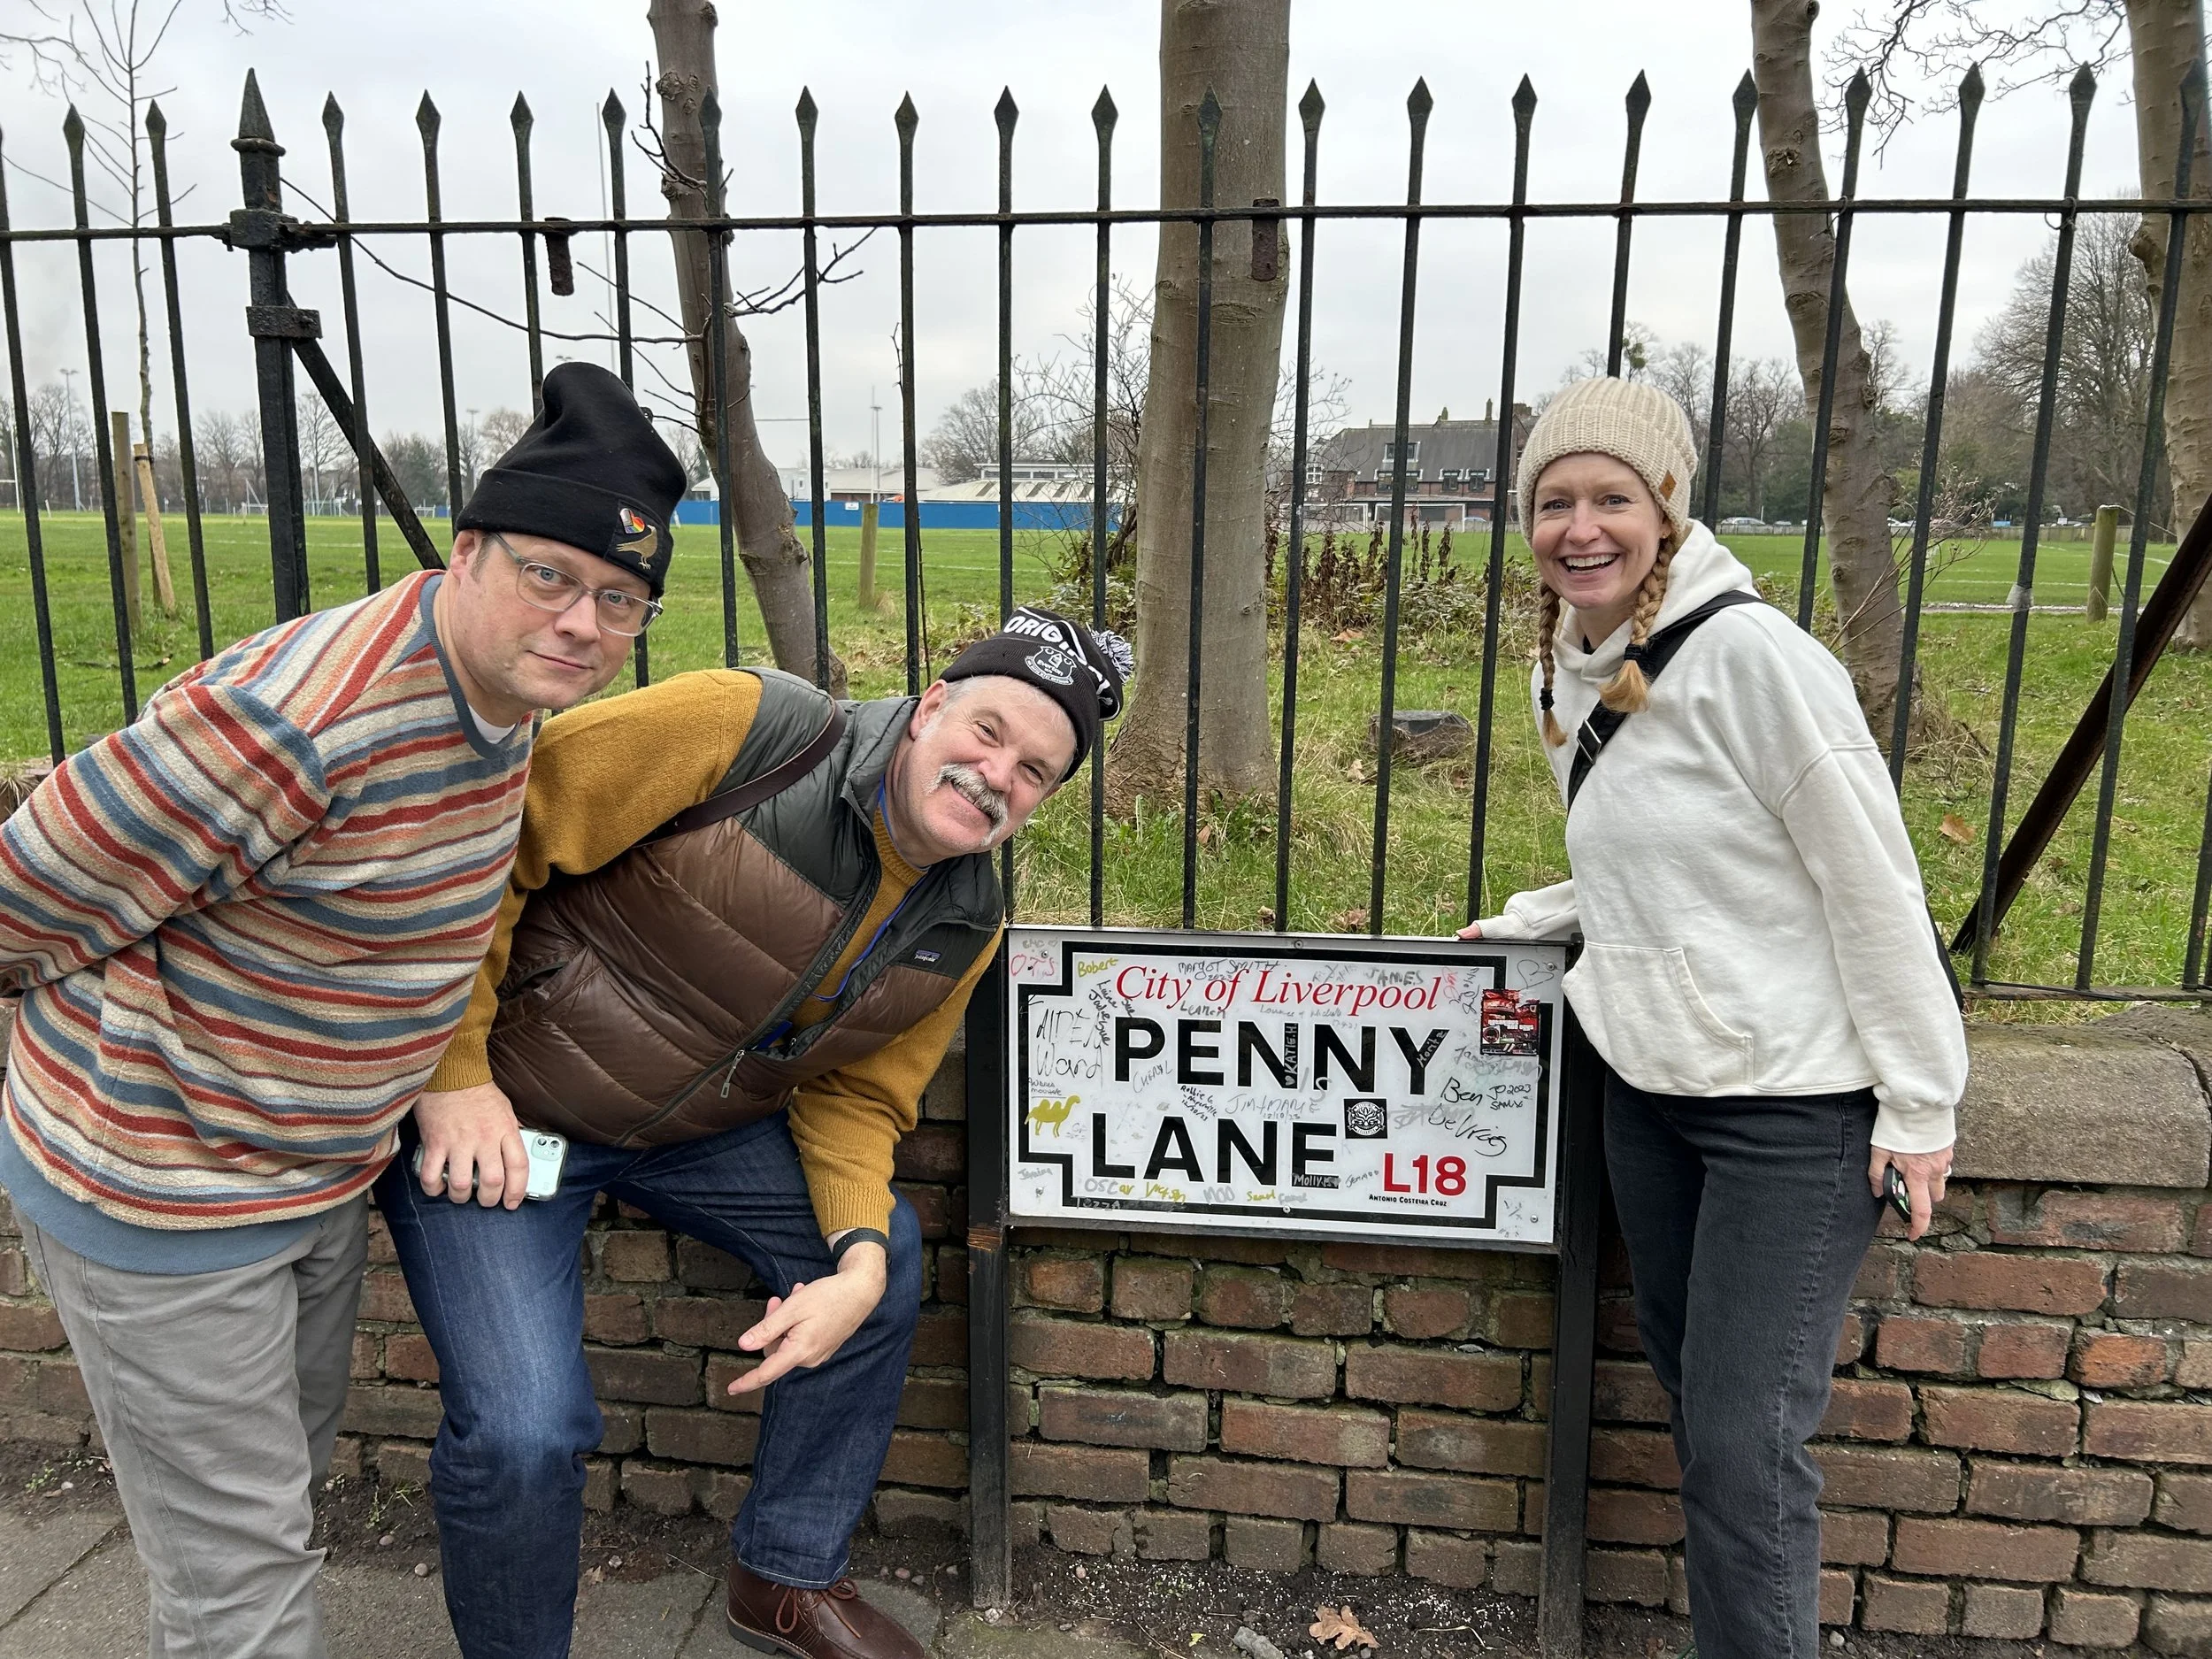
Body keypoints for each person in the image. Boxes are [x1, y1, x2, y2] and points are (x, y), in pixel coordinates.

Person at [0, 361, 686, 1658]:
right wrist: (131, 1043)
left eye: (620, 599)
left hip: (311, 1172)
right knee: (237, 1590)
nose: (585, 622)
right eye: (550, 574)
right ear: (469, 550)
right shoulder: (295, 725)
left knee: (276, 1493)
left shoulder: (507, 694)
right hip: (166, 1182)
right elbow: (30, 889)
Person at [379, 605, 1127, 1659]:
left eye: (1036, 771)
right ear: (928, 710)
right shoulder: (750, 730)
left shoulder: (966, 916)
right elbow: (482, 840)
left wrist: (858, 1268)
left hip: (693, 1131)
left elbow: (860, 1099)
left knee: (880, 1257)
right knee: (524, 1432)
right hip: (506, 1111)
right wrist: (451, 1073)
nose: (996, 773)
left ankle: (783, 1575)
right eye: (988, 732)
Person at [1461, 377, 1967, 1659]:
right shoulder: (1573, 660)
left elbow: (1869, 876)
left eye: (1613, 498)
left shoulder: (1754, 657)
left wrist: (1920, 1099)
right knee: (1707, 1415)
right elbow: (1683, 850)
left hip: (1790, 1113)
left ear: (1667, 508)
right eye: (1555, 500)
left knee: (1747, 1446)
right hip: (1648, 1087)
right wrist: (1544, 913)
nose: (1582, 526)